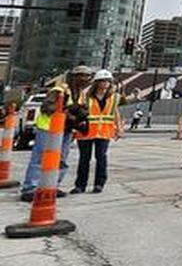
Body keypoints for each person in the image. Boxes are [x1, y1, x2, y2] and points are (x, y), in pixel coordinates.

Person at [20, 65, 94, 202]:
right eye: (82, 75)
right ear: (73, 77)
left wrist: (79, 118)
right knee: (40, 159)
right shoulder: (59, 90)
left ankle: (52, 186)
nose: (85, 79)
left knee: (61, 160)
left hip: (65, 130)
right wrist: (68, 112)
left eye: (87, 76)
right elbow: (47, 108)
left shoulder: (82, 94)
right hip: (48, 129)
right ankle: (30, 188)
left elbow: (80, 111)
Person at [71, 69, 121, 194]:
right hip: (86, 132)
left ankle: (99, 184)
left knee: (101, 158)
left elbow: (115, 113)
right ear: (97, 83)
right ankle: (80, 185)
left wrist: (119, 128)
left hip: (104, 132)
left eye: (108, 81)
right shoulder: (86, 96)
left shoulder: (114, 97)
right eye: (102, 81)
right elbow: (78, 111)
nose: (105, 84)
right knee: (84, 159)